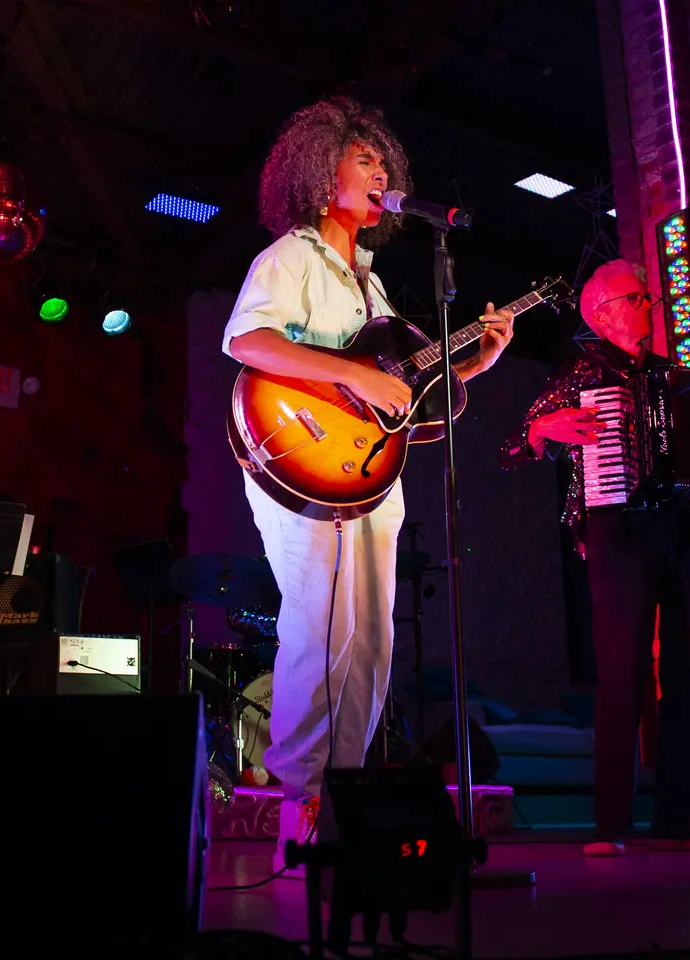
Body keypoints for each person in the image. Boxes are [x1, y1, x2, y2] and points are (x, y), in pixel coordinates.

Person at [222, 98, 514, 876]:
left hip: (372, 479)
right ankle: (301, 805)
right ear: (322, 178)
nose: (381, 171)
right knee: (320, 632)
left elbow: (403, 406)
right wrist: (350, 372)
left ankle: (342, 797)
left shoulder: (375, 287)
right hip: (300, 463)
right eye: (364, 162)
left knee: (373, 643)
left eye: (384, 163)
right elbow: (245, 339)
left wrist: (475, 363)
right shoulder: (291, 256)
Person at [500, 258, 690, 856]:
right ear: (601, 312)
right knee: (622, 674)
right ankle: (610, 823)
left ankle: (683, 816)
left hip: (686, 530)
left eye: (648, 300)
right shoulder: (581, 373)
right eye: (638, 298)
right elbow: (515, 446)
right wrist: (543, 430)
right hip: (616, 532)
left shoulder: (680, 379)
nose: (649, 308)